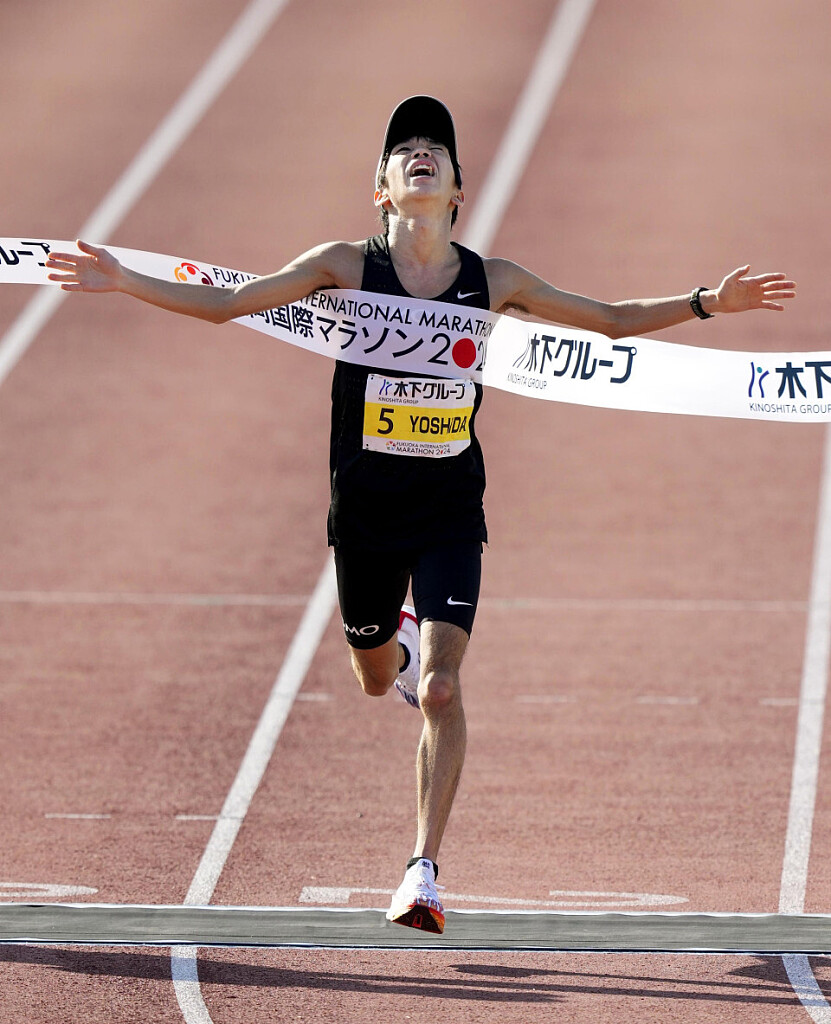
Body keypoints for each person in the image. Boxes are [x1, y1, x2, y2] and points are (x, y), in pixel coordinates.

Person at [45, 95, 796, 933]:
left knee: (439, 687)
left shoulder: (493, 280)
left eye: (434, 147)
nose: (420, 152)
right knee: (376, 679)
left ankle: (422, 872)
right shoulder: (342, 265)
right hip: (365, 513)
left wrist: (706, 302)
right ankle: (391, 647)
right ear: (382, 189)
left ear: (457, 190)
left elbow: (610, 322)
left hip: (448, 509)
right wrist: (123, 280)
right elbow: (230, 304)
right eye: (403, 148)